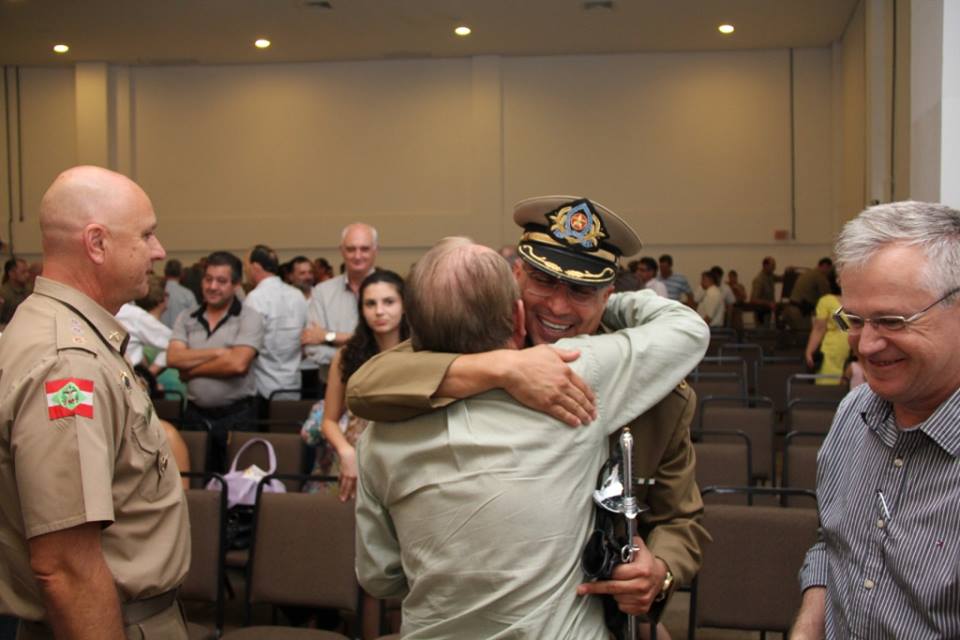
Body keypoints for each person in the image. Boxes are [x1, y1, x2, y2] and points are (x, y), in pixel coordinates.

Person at [348, 195, 710, 623]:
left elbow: (683, 520)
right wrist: (499, 366)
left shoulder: (649, 385)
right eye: (543, 280)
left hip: (601, 610)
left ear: (610, 293)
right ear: (516, 276)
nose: (558, 306)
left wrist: (661, 571)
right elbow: (370, 382)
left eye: (582, 289)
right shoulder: (469, 342)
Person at [0, 166, 189, 639]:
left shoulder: (58, 330)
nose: (159, 250)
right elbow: (66, 567)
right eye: (146, 234)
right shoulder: (68, 363)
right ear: (97, 243)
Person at [792, 201, 960, 639]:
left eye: (892, 321)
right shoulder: (854, 413)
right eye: (855, 320)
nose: (865, 346)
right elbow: (835, 545)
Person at [303, 270, 408, 502]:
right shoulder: (347, 356)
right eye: (370, 304)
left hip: (405, 462)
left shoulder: (420, 353)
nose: (379, 311)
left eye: (389, 302)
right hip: (356, 460)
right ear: (361, 310)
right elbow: (329, 421)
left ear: (405, 306)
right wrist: (346, 452)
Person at [167, 251, 264, 471]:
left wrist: (191, 371)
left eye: (221, 281)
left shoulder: (250, 318)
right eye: (208, 279)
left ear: (236, 284)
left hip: (237, 417)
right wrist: (219, 352)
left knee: (236, 487)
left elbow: (238, 364)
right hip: (194, 416)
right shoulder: (187, 317)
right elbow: (173, 357)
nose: (212, 286)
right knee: (193, 478)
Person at [302, 223, 379, 384]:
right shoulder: (322, 292)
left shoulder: (391, 290)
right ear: (341, 251)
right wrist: (369, 352)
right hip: (332, 386)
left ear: (375, 250)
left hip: (379, 386)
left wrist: (328, 336)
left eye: (364, 249)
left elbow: (396, 345)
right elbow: (313, 349)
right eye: (351, 249)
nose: (357, 256)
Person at [244, 244, 308, 407]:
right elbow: (305, 338)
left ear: (255, 267)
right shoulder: (297, 295)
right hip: (294, 384)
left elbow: (249, 346)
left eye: (246, 266)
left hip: (263, 388)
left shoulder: (255, 298)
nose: (245, 272)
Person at [116, 274, 172, 377]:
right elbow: (173, 343)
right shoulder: (135, 316)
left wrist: (149, 373)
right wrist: (150, 373)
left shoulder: (133, 315)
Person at [803, 269, 849, 385]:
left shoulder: (859, 300)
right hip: (832, 352)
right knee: (829, 387)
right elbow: (819, 328)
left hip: (855, 353)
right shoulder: (826, 301)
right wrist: (810, 350)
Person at [782, 257, 833, 331]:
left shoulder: (808, 273)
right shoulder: (820, 276)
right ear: (825, 266)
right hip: (799, 313)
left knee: (796, 338)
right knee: (805, 336)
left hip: (789, 310)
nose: (829, 272)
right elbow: (827, 298)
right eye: (829, 269)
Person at [160, 259, 197, 328]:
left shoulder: (158, 292)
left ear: (165, 272)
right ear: (181, 274)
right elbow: (194, 318)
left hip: (159, 335)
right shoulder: (187, 294)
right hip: (181, 334)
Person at [750, 256, 781, 326]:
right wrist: (769, 303)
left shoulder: (770, 276)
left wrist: (788, 272)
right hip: (761, 314)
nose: (774, 268)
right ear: (765, 265)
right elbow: (753, 299)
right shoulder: (759, 280)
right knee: (761, 333)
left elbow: (781, 279)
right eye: (772, 265)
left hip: (767, 313)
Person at [0, 257, 31, 325]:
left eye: (27, 271)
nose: (27, 275)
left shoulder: (29, 290)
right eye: (23, 272)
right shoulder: (3, 293)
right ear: (12, 273)